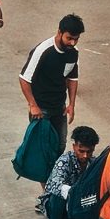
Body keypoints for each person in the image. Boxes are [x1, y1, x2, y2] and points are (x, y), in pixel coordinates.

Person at [18, 15, 82, 159]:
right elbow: (24, 79)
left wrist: (71, 104)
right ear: (59, 32)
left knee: (60, 145)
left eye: (76, 39)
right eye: (69, 38)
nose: (72, 42)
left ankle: (53, 172)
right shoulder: (43, 50)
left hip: (60, 107)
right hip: (41, 109)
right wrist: (33, 105)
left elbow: (72, 79)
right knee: (42, 148)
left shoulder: (73, 52)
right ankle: (44, 174)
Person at [42, 125, 100, 219]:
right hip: (60, 205)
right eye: (81, 151)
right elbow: (53, 185)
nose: (85, 155)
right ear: (74, 147)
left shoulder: (94, 163)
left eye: (89, 151)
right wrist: (75, 193)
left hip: (80, 206)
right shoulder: (64, 161)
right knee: (58, 195)